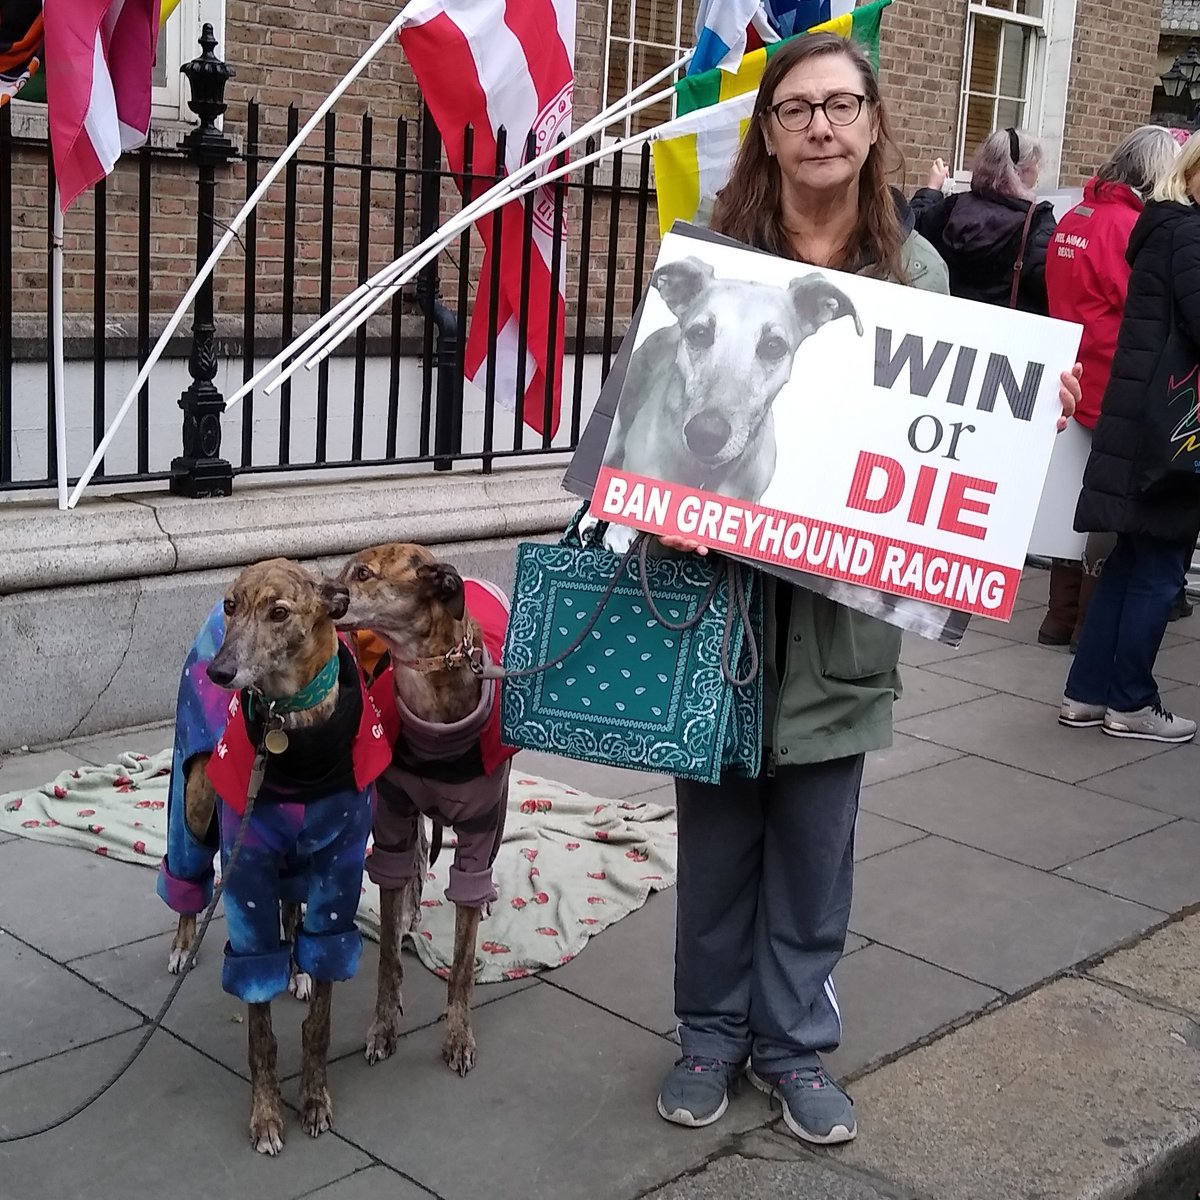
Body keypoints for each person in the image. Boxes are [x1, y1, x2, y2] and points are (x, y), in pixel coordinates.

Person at [650, 32, 1082, 1146]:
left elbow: (957, 429)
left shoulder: (917, 274)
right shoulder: (709, 258)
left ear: (876, 122)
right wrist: (666, 512)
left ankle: (792, 1046)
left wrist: (1032, 405)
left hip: (843, 619)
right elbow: (646, 423)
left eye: (840, 105)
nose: (821, 127)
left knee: (813, 842)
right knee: (716, 833)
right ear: (769, 132)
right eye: (795, 109)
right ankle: (708, 1033)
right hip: (721, 604)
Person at [1059, 132, 1200, 744]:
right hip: (1171, 429)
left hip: (1140, 417)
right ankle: (1132, 703)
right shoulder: (1191, 236)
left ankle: (1086, 694)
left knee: (1131, 559)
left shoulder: (1164, 229)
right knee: (1161, 566)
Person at [1038, 127, 1182, 649]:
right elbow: (1141, 303)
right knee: (1108, 505)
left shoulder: (1076, 214)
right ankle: (1086, 626)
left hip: (1072, 373)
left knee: (1071, 499)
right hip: (1111, 376)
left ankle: (1059, 615)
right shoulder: (1128, 226)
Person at [909, 128, 1057, 314]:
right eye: (1036, 164)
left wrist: (931, 189)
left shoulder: (952, 207)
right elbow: (1053, 290)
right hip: (1005, 336)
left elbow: (911, 229)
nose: (1038, 170)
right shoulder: (1037, 224)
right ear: (1022, 172)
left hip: (946, 326)